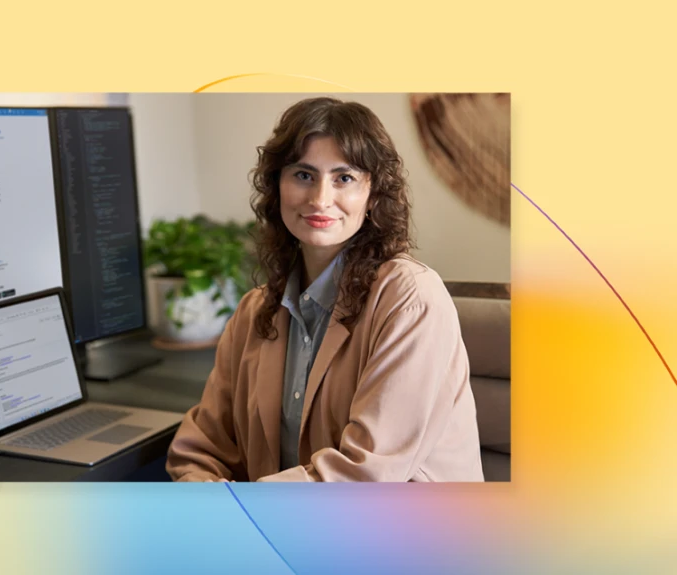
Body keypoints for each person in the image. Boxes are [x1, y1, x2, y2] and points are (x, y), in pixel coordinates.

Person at [165, 97, 484, 482]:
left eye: (344, 178)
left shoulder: (410, 300)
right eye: (303, 175)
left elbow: (366, 475)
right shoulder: (254, 311)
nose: (320, 199)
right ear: (276, 186)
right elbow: (201, 450)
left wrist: (236, 514)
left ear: (372, 194)